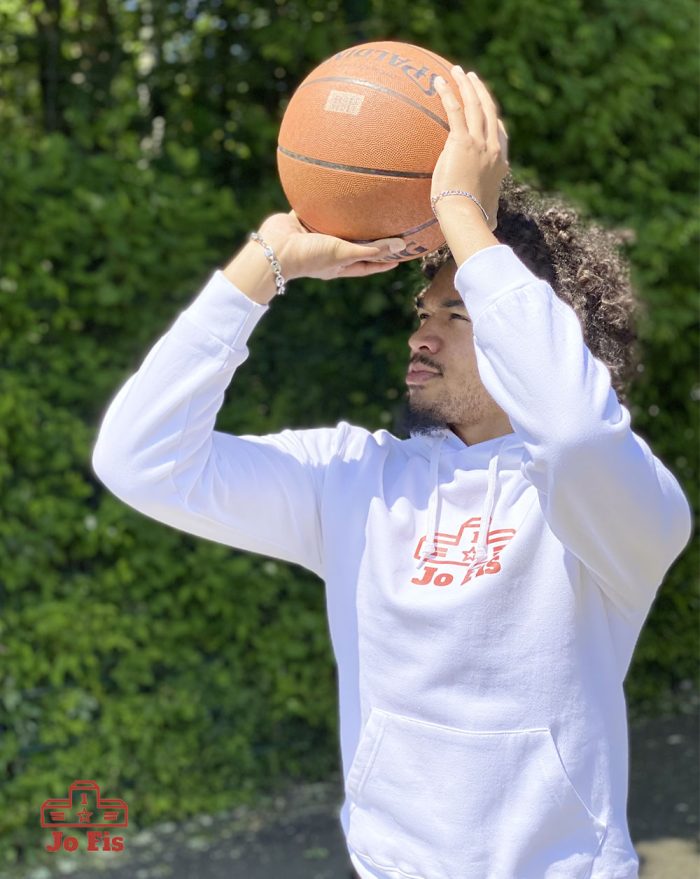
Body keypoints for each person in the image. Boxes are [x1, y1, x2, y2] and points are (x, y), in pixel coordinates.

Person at [92, 67, 691, 879]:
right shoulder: (353, 479)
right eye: (423, 311)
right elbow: (137, 458)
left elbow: (578, 432)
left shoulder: (619, 506)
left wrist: (466, 221)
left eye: (458, 313)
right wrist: (264, 264)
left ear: (534, 332)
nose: (422, 333)